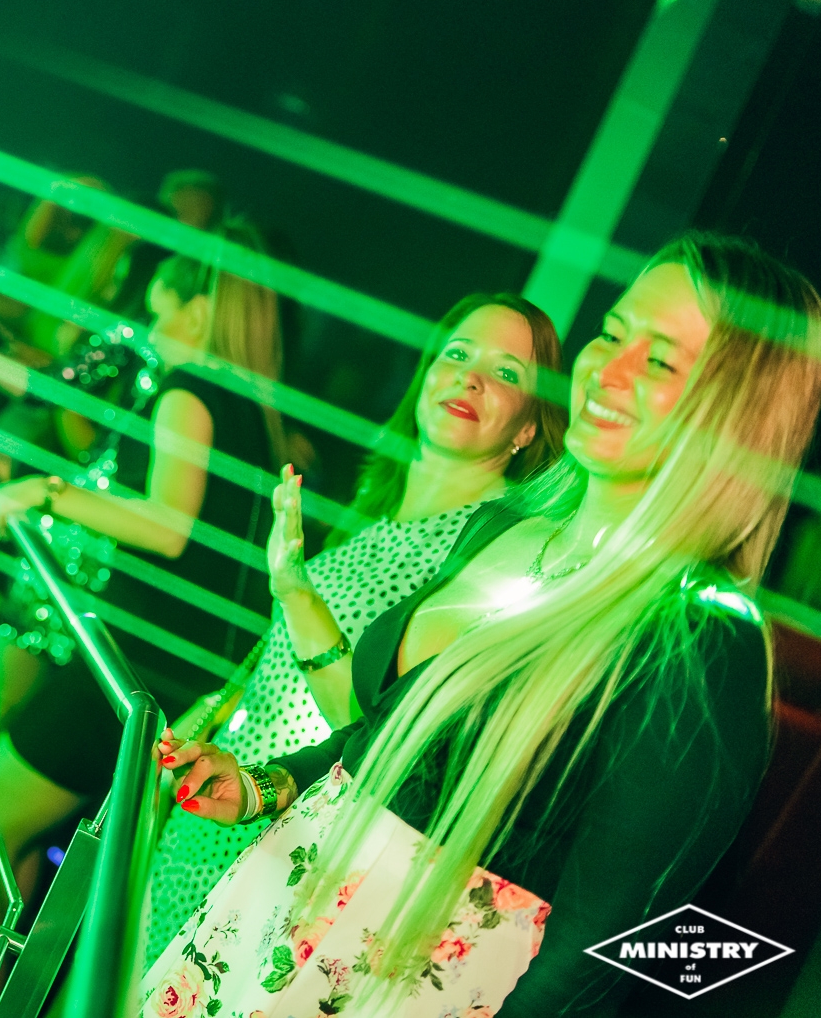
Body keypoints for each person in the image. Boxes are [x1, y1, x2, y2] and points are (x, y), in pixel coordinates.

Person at [148, 231, 821, 1016]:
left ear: (735, 417)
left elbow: (604, 948)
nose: (608, 370)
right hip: (268, 924)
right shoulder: (502, 524)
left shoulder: (704, 639)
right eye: (613, 333)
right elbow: (390, 738)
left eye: (662, 362)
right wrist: (262, 784)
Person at [143, 292, 567, 961]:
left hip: (286, 838)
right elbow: (279, 661)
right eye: (457, 354)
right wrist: (208, 718)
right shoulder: (375, 511)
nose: (470, 377)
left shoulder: (489, 558)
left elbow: (377, 737)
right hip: (216, 800)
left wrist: (295, 592)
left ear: (527, 429)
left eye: (506, 372)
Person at [0, 221, 285, 993]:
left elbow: (167, 524)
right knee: (44, 860)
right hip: (176, 679)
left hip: (127, 668)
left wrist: (42, 492)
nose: (150, 327)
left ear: (197, 313)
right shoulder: (255, 414)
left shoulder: (187, 391)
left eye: (160, 308)